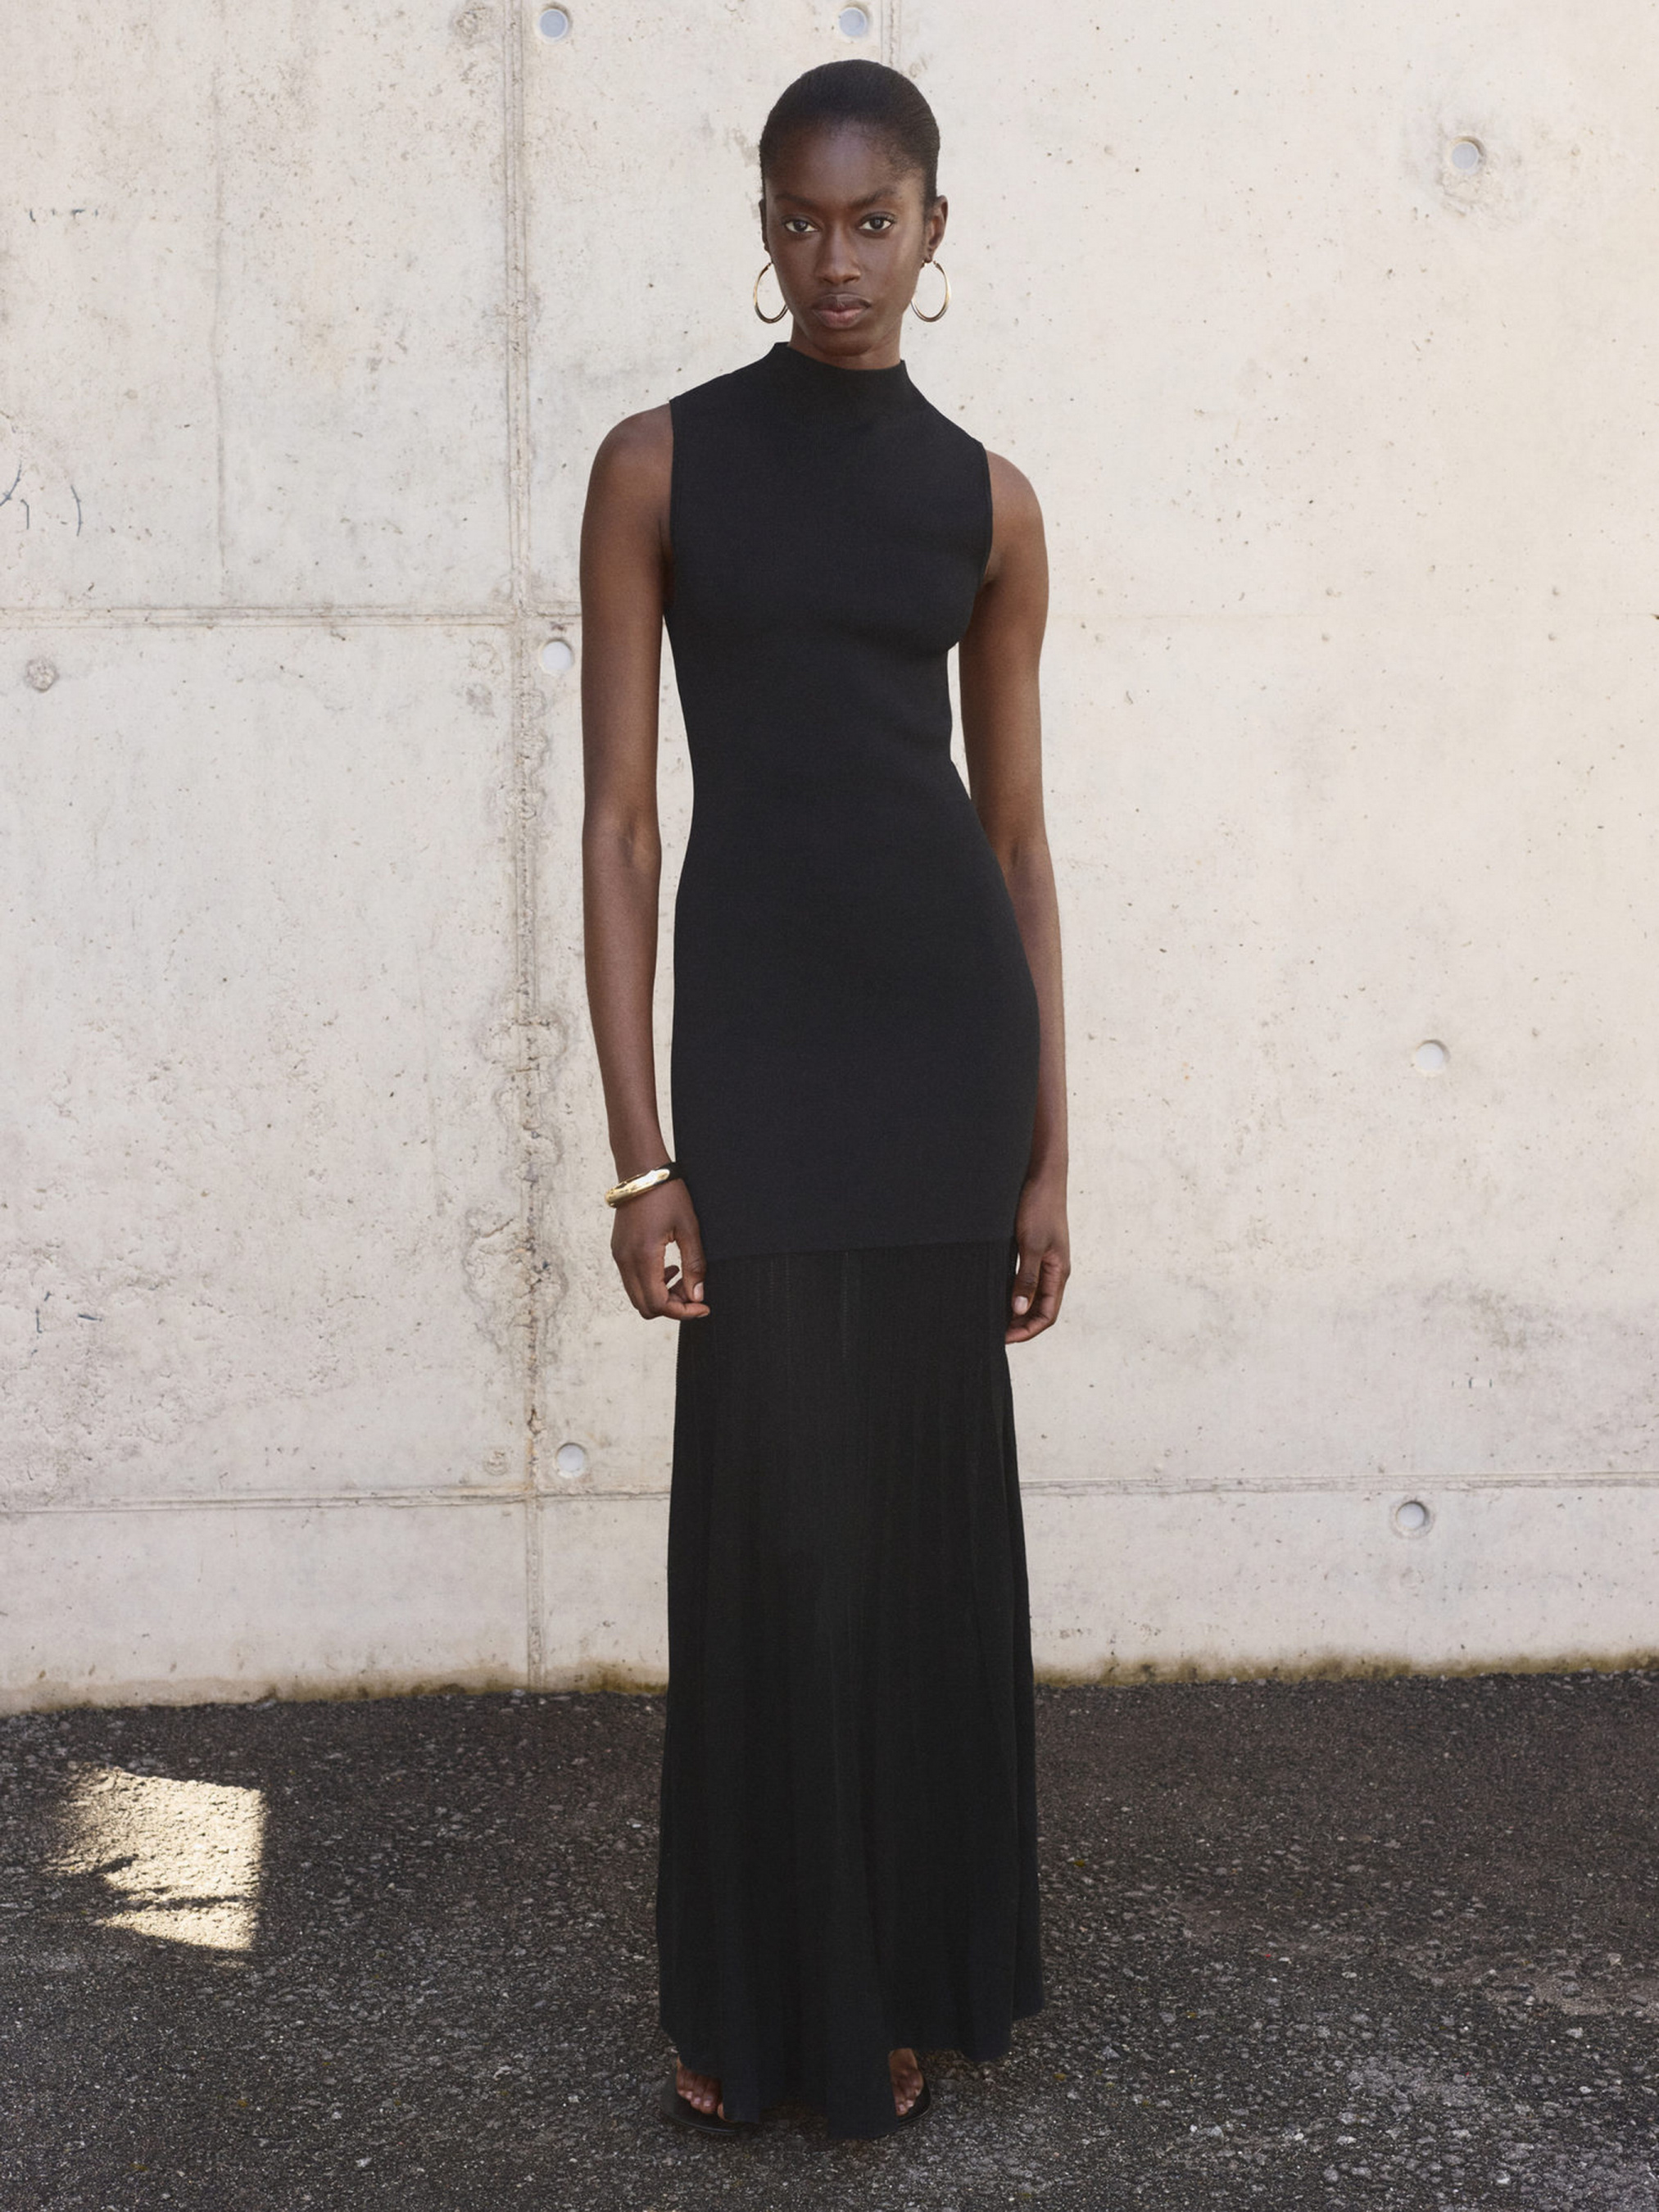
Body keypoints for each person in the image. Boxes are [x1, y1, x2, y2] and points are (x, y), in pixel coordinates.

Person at [579, 57, 1069, 2142]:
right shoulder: (657, 466)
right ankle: (749, 1996)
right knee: (772, 1534)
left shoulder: (989, 503)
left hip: (944, 1057)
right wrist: (640, 1156)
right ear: (763, 227)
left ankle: (889, 1987)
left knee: (913, 1537)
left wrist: (1047, 1152)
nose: (835, 258)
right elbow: (619, 824)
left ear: (933, 231)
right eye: (800, 218)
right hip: (763, 1063)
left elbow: (1015, 839)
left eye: (874, 221)